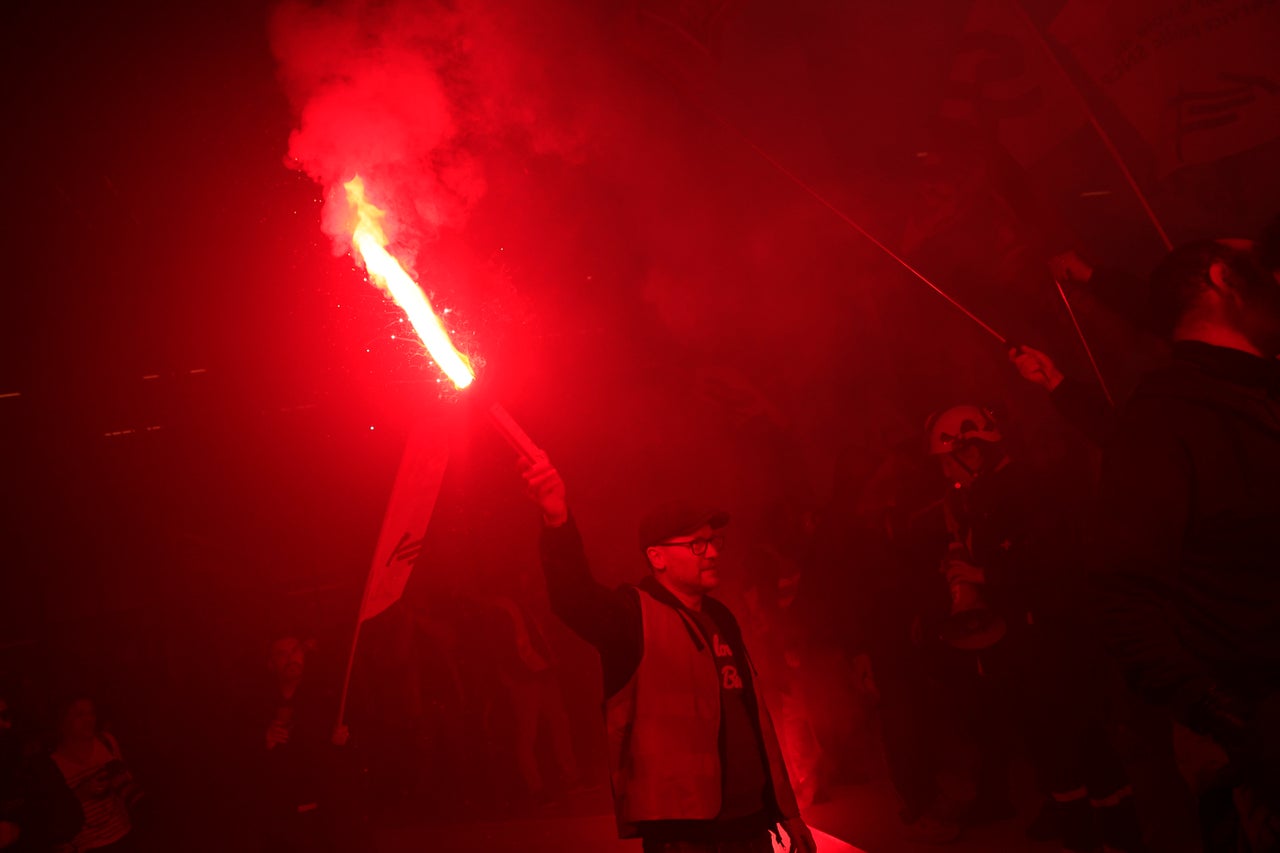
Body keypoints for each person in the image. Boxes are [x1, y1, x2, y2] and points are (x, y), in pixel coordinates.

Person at [521, 451, 816, 853]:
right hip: (684, 835)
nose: (712, 552)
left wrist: (787, 810)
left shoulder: (721, 617)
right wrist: (557, 521)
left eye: (714, 542)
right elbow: (573, 597)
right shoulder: (630, 617)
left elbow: (755, 719)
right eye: (697, 544)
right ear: (656, 557)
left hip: (750, 826)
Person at [1093, 238, 1280, 851]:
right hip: (1262, 735)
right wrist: (1225, 720)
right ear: (1225, 278)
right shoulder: (1162, 422)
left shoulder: (1261, 395)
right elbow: (1127, 596)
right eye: (1263, 266)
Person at [924, 405, 1143, 852]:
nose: (946, 470)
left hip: (1056, 640)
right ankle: (1083, 834)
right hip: (1023, 643)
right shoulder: (979, 496)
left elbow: (1053, 559)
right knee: (1051, 748)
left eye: (951, 457)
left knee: (1080, 744)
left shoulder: (1026, 488)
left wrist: (983, 575)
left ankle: (1118, 840)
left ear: (976, 449)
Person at [50, 697, 142, 853]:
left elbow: (128, 782)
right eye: (80, 714)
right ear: (63, 722)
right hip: (88, 846)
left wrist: (120, 780)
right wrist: (81, 793)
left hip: (124, 835)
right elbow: (53, 813)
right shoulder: (53, 764)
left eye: (91, 713)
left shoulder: (106, 741)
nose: (88, 719)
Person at [0, 691, 82, 852]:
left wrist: (19, 832)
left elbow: (72, 817)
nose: (5, 725)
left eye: (5, 716)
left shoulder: (32, 764)